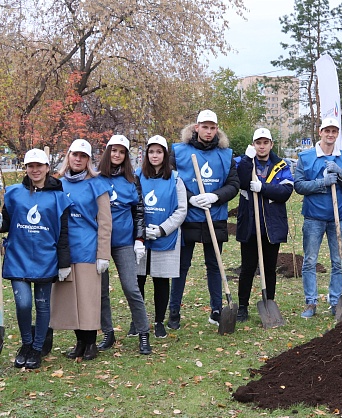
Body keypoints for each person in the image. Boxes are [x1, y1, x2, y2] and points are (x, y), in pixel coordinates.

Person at [0, 148, 71, 369]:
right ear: (26, 168)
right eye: (31, 166)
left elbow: (63, 233)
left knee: (42, 305)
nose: (35, 170)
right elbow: (5, 224)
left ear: (47, 168)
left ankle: (37, 349)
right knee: (23, 304)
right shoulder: (13, 193)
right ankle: (26, 344)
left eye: (39, 166)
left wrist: (64, 263)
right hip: (18, 257)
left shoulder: (59, 197)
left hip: (45, 259)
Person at [168, 110, 239, 327]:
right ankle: (174, 312)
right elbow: (170, 181)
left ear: (217, 129)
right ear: (196, 127)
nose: (208, 131)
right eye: (204, 127)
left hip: (214, 216)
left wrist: (214, 196)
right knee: (181, 266)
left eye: (212, 127)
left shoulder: (226, 154)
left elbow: (234, 185)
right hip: (187, 217)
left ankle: (217, 310)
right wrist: (190, 199)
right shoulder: (179, 152)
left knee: (214, 265)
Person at [50, 139, 112, 361]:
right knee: (70, 300)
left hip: (88, 249)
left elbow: (105, 221)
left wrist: (103, 254)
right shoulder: (58, 184)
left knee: (88, 299)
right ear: (68, 156)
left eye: (83, 156)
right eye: (75, 154)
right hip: (65, 250)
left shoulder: (97, 184)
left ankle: (91, 343)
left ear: (88, 160)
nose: (78, 159)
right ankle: (79, 342)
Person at [294, 117, 342, 318]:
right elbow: (299, 186)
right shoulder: (306, 157)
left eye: (334, 131)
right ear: (320, 132)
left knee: (338, 261)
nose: (330, 135)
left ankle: (336, 301)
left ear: (337, 134)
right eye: (327, 131)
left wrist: (341, 175)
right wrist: (322, 183)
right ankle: (311, 302)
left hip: (338, 219)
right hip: (313, 217)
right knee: (310, 261)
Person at [97, 134, 151, 355]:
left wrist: (139, 239)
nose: (117, 155)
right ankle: (107, 333)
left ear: (126, 155)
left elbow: (139, 212)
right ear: (108, 152)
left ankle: (143, 333)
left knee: (131, 287)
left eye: (121, 151)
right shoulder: (96, 178)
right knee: (101, 291)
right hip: (100, 242)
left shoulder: (132, 180)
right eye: (113, 150)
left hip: (124, 242)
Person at [235, 128, 294, 322]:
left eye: (265, 142)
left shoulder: (281, 165)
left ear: (271, 144)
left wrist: (263, 188)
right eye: (258, 143)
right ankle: (242, 306)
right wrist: (246, 159)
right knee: (247, 267)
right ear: (253, 145)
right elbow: (241, 182)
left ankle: (269, 303)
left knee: (269, 267)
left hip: (271, 225)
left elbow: (285, 191)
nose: (261, 146)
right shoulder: (244, 162)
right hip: (250, 224)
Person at [136, 135, 187, 339]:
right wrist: (140, 230)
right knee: (138, 280)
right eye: (151, 151)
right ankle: (137, 321)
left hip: (166, 238)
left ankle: (158, 321)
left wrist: (162, 229)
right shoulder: (137, 176)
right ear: (146, 154)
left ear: (165, 155)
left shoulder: (175, 179)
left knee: (160, 280)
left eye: (159, 152)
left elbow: (181, 210)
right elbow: (131, 205)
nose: (155, 155)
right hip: (140, 237)